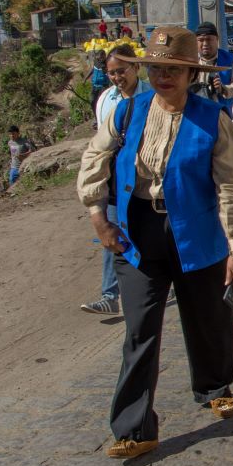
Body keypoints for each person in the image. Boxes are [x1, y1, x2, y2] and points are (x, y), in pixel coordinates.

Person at [76, 25, 233, 460]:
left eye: (174, 69)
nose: (164, 76)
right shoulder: (127, 112)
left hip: (195, 232)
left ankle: (214, 386)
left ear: (191, 73)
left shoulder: (210, 119)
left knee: (208, 317)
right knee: (140, 330)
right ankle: (134, 427)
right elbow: (94, 159)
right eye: (157, 68)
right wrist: (99, 218)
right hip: (138, 234)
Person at [81, 46, 153, 315]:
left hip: (148, 179)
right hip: (117, 179)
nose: (116, 77)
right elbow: (101, 144)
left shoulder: (153, 95)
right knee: (111, 232)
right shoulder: (105, 100)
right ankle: (110, 295)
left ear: (136, 68)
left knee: (150, 232)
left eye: (121, 71)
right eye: (111, 73)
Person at [193, 20, 233, 118]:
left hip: (224, 116)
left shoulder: (231, 60)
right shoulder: (191, 62)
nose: (205, 43)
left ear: (217, 40)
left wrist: (223, 89)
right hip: (197, 115)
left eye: (209, 39)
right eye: (201, 40)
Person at [90, 49, 111, 122]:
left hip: (103, 86)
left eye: (103, 56)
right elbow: (92, 70)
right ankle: (96, 118)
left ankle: (104, 119)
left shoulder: (107, 63)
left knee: (102, 102)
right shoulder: (96, 62)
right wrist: (85, 78)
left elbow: (107, 73)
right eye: (100, 56)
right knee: (92, 101)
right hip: (95, 85)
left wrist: (103, 68)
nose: (102, 58)